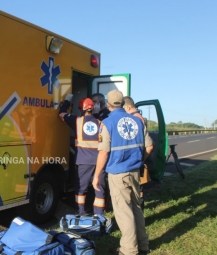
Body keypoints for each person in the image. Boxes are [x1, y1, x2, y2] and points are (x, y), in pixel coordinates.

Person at [92, 90, 153, 255]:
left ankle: (129, 250)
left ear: (108, 104)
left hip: (118, 173)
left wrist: (97, 175)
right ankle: (143, 245)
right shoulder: (138, 121)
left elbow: (103, 153)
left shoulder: (107, 123)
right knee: (136, 208)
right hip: (134, 171)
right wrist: (138, 160)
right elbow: (149, 146)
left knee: (123, 212)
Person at [59, 94, 106, 216]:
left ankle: (81, 212)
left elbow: (61, 114)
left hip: (83, 160)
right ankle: (99, 215)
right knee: (99, 187)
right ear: (92, 108)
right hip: (99, 160)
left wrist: (67, 102)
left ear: (81, 109)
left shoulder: (76, 120)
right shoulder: (100, 123)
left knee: (81, 188)